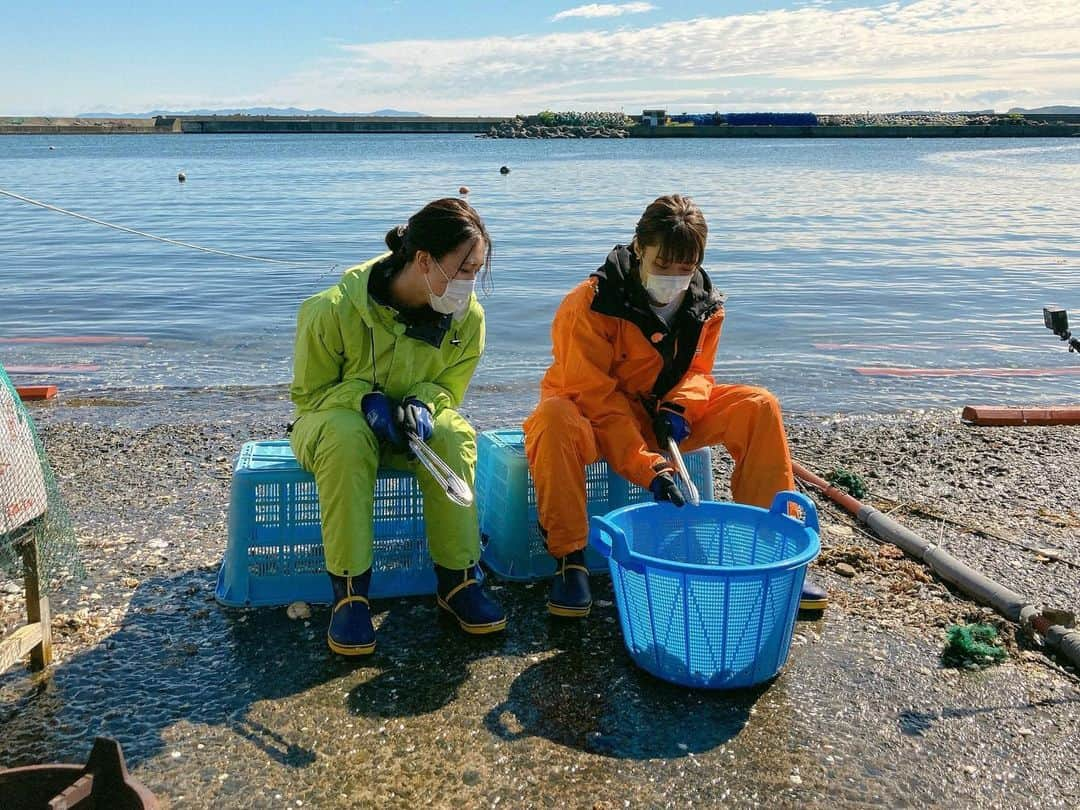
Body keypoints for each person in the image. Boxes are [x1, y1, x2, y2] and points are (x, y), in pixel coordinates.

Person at [523, 194, 828, 618]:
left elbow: (701, 370)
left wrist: (681, 409)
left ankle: (773, 548)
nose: (673, 277)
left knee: (758, 406)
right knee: (552, 420)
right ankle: (569, 557)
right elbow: (596, 399)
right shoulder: (590, 303)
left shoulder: (706, 305)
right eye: (662, 265)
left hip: (661, 414)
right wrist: (650, 467)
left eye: (685, 268)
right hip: (588, 416)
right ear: (637, 247)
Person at [288, 198, 505, 656]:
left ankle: (459, 579)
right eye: (462, 270)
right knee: (346, 439)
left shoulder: (469, 320)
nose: (469, 283)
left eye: (476, 270)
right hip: (333, 426)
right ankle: (350, 592)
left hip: (412, 430)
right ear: (422, 259)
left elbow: (450, 386)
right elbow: (308, 397)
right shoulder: (330, 310)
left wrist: (423, 402)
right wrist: (363, 400)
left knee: (453, 434)